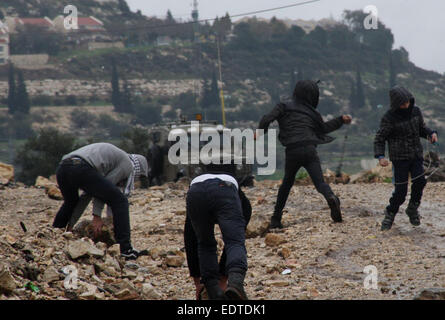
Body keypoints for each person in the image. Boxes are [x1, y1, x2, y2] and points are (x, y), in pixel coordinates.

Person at [258, 80, 352, 229]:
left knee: (287, 184)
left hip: (293, 150)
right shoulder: (313, 113)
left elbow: (267, 119)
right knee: (320, 183)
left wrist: (260, 131)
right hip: (309, 149)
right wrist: (340, 120)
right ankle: (331, 197)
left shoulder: (283, 106)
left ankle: (276, 218)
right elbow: (324, 128)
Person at [52, 143, 149, 260]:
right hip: (81, 167)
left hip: (64, 167)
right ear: (138, 169)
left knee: (71, 201)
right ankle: (126, 249)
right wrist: (97, 216)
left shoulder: (113, 161)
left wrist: (70, 226)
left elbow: (87, 195)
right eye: (140, 176)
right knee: (121, 201)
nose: (138, 179)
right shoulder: (128, 164)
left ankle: (55, 234)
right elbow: (102, 193)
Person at [374, 86, 438, 231]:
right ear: (396, 104)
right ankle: (390, 213)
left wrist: (431, 134)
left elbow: (421, 128)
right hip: (400, 158)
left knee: (420, 182)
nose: (406, 105)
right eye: (403, 103)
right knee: (401, 191)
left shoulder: (416, 111)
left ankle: (412, 208)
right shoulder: (389, 118)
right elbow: (380, 138)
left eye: (408, 102)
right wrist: (380, 156)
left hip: (416, 155)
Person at [184, 163, 250, 300]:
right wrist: (227, 278)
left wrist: (198, 283)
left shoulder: (197, 184)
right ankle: (236, 282)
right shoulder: (241, 201)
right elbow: (235, 241)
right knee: (234, 242)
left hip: (195, 192)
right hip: (225, 189)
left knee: (205, 243)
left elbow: (191, 240)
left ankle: (213, 289)